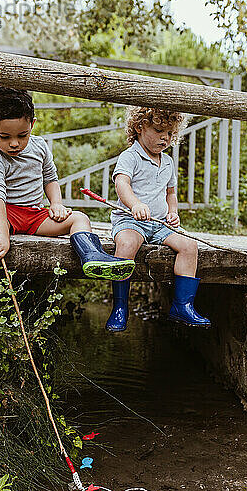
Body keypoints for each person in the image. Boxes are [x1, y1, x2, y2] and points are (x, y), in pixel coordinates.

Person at [0, 87, 135, 295]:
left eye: (22, 135)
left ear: (32, 125)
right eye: (4, 136)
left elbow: (50, 178)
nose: (14, 143)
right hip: (3, 213)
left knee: (79, 218)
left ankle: (91, 255)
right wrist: (2, 234)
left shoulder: (39, 147)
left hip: (35, 216)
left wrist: (56, 203)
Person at [106, 106, 211, 332]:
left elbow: (170, 193)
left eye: (170, 133)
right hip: (130, 221)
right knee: (126, 244)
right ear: (139, 127)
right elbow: (121, 184)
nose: (165, 138)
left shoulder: (168, 162)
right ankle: (120, 306)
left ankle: (182, 305)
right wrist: (135, 204)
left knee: (189, 246)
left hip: (159, 224)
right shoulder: (130, 156)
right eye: (159, 130)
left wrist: (173, 212)